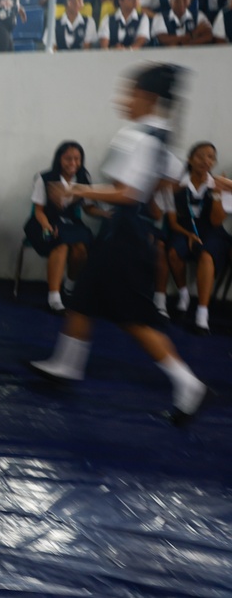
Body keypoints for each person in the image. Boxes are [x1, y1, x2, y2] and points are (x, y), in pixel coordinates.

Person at [30, 63, 207, 425]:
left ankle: (187, 382)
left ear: (147, 98)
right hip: (131, 234)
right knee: (84, 300)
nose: (124, 99)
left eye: (130, 92)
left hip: (124, 236)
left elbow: (125, 193)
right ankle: (66, 365)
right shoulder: (159, 136)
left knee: (134, 320)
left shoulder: (136, 136)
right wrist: (151, 198)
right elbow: (173, 178)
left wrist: (76, 188)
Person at [24, 141, 106, 312]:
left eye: (77, 159)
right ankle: (54, 298)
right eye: (68, 159)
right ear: (59, 159)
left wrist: (105, 214)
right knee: (60, 244)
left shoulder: (83, 178)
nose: (73, 163)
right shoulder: (45, 178)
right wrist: (46, 226)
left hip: (69, 222)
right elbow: (38, 211)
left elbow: (88, 208)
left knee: (81, 248)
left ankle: (70, 285)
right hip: (43, 221)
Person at [165, 142, 230, 334]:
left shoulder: (219, 185)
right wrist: (188, 234)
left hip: (212, 231)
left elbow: (217, 222)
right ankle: (184, 295)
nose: (205, 160)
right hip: (185, 230)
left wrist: (218, 195)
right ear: (190, 159)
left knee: (207, 255)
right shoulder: (178, 186)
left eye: (210, 157)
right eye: (201, 156)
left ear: (214, 162)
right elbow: (173, 220)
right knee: (174, 252)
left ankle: (202, 314)